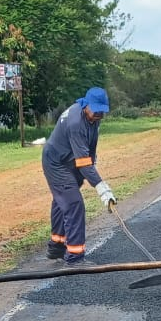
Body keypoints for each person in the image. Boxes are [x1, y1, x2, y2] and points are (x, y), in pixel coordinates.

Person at [41, 86, 116, 263]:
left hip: (70, 160)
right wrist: (102, 188)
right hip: (57, 163)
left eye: (102, 111)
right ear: (86, 105)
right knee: (74, 204)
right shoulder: (76, 122)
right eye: (96, 110)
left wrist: (92, 163)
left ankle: (57, 247)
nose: (99, 114)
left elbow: (90, 148)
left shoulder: (93, 118)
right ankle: (75, 256)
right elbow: (83, 163)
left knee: (63, 201)